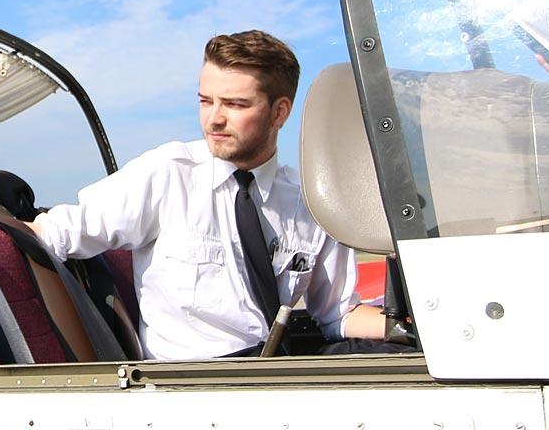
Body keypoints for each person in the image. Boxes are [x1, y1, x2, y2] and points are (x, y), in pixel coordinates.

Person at [32, 30, 385, 360]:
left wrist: (412, 326)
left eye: (234, 104)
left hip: (275, 374)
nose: (213, 119)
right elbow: (53, 234)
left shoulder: (310, 203)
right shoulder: (167, 175)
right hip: (189, 387)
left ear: (279, 112)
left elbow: (338, 314)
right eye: (205, 101)